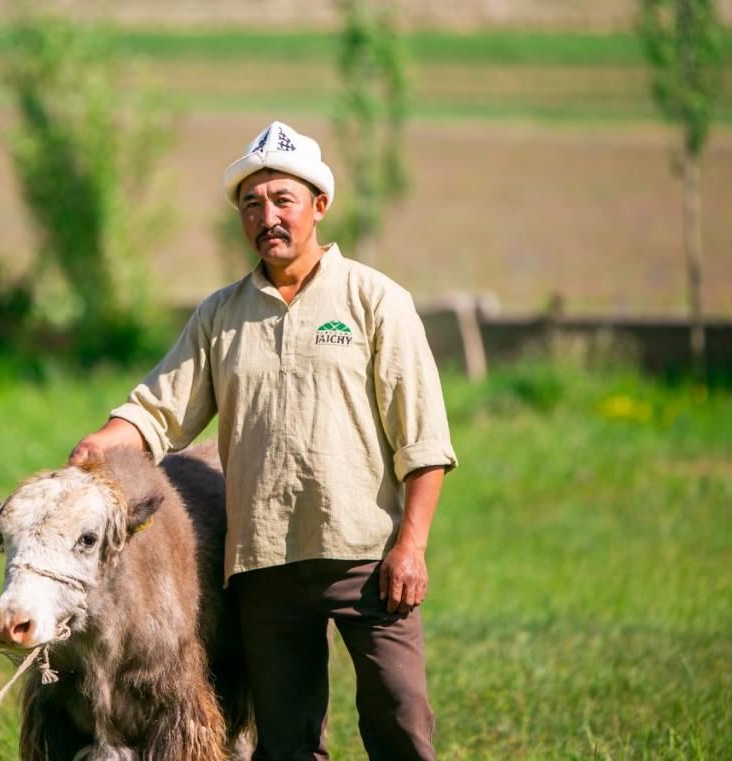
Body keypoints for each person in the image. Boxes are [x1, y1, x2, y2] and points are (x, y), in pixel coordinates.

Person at [69, 120, 457, 761]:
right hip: (264, 564)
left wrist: (410, 547)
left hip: (366, 556)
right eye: (252, 204)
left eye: (283, 200)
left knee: (400, 718)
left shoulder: (374, 300)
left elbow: (423, 441)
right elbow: (159, 410)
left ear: (319, 206)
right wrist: (105, 441)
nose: (267, 216)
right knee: (283, 741)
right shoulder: (221, 314)